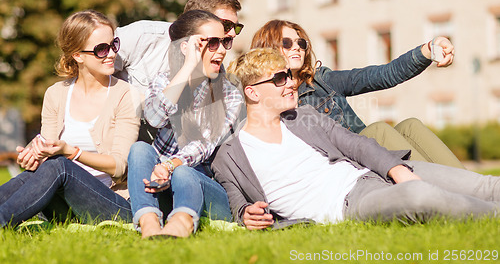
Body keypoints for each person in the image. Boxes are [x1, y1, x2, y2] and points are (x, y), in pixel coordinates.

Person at [212, 48, 499, 230]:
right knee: (420, 196)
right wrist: (246, 214)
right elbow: (238, 204)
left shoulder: (305, 116)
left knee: (485, 184)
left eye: (288, 75)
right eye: (279, 79)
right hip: (348, 204)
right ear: (252, 92)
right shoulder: (230, 155)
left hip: (376, 172)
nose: (290, 83)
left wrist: (398, 171)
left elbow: (357, 144)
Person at [251, 20, 464, 169]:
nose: (296, 47)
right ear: (268, 48)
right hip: (345, 167)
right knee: (377, 130)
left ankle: (475, 186)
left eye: (301, 43)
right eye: (287, 43)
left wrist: (427, 50)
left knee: (410, 126)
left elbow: (381, 75)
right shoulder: (264, 97)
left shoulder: (322, 81)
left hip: (368, 152)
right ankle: (432, 187)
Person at [0, 10, 141, 228]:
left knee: (60, 166)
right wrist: (33, 156)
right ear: (77, 55)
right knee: (39, 171)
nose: (111, 53)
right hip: (65, 204)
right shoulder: (55, 94)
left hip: (114, 204)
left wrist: (71, 152)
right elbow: (49, 148)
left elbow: (120, 166)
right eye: (102, 49)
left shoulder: (125, 94)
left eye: (114, 45)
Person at [127, 10, 244, 238]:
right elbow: (154, 118)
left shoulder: (230, 94)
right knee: (139, 149)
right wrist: (188, 66)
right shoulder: (164, 80)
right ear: (186, 47)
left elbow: (203, 146)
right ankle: (149, 224)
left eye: (225, 42)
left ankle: (182, 225)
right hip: (158, 179)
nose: (221, 50)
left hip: (197, 183)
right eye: (212, 43)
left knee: (183, 172)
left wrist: (169, 167)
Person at [114, 0, 244, 143]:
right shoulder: (143, 36)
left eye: (236, 27)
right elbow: (92, 67)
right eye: (226, 25)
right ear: (196, 18)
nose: (232, 33)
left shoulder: (216, 73)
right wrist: (133, 97)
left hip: (168, 155)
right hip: (118, 136)